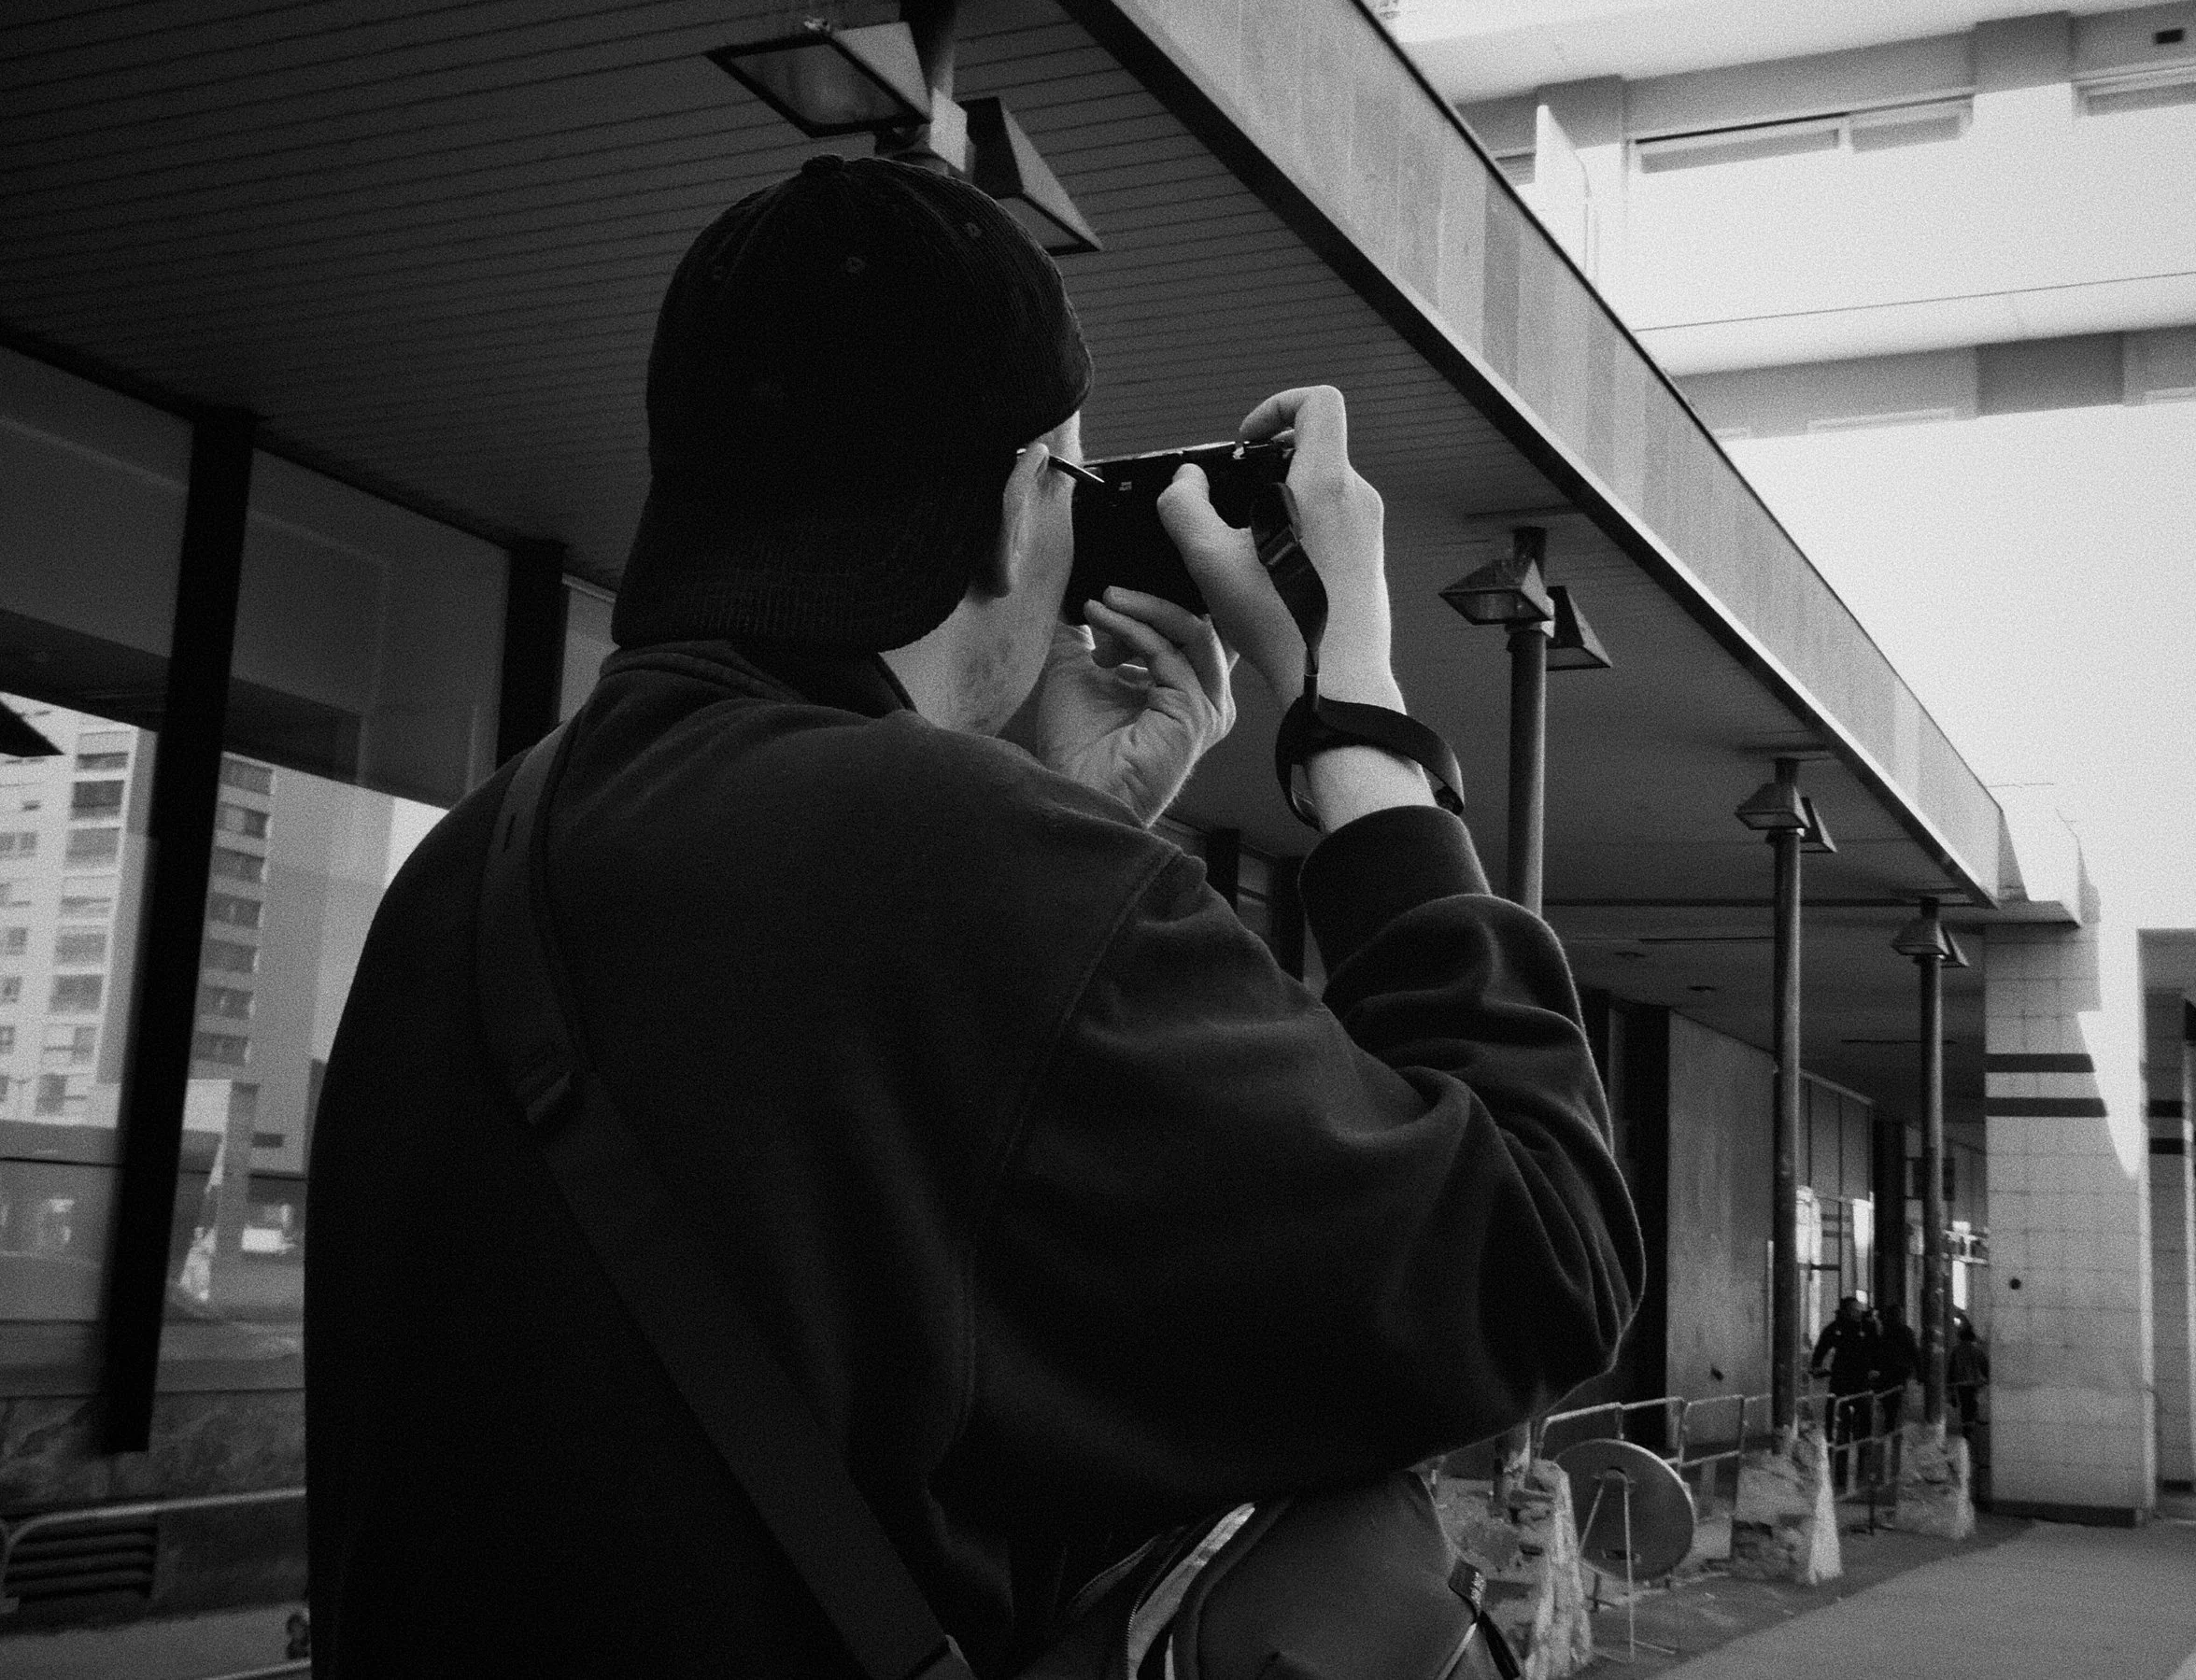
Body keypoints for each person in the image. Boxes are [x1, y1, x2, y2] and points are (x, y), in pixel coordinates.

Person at [304, 155, 1644, 1677]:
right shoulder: (961, 872)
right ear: (1016, 514)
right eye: (1066, 481)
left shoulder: (476, 861)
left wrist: (1060, 824)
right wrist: (1363, 727)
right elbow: (1540, 1255)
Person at [1810, 1297, 1877, 1480]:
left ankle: (1863, 1470)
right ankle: (1839, 1472)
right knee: (1838, 1427)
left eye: (1859, 1310)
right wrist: (1816, 1365)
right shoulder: (1836, 1327)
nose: (1858, 1313)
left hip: (1861, 1383)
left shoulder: (1867, 1327)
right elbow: (1821, 1348)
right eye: (1854, 1310)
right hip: (1840, 1382)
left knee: (1864, 1427)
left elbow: (1876, 1349)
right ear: (1846, 1311)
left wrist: (1875, 1369)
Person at [1873, 1304, 1920, 1437]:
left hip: (1885, 1371)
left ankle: (1889, 1422)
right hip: (1900, 1371)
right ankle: (1892, 1425)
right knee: (1896, 1398)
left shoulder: (1882, 1331)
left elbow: (1876, 1351)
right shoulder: (1905, 1331)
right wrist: (1919, 1372)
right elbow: (1914, 1352)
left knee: (1887, 1398)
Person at [1949, 1317, 1991, 1433]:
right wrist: (1989, 1378)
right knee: (1972, 1401)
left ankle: (1966, 1425)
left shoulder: (1956, 1350)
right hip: (1974, 1381)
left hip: (1961, 1382)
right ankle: (1971, 1424)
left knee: (1964, 1403)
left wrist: (1951, 1387)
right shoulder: (1977, 1350)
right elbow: (1984, 1365)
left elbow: (1951, 1368)